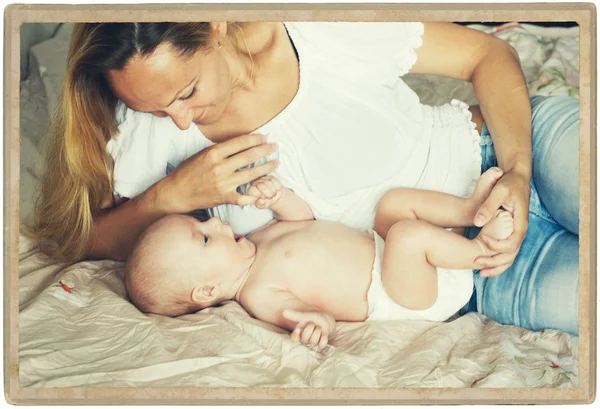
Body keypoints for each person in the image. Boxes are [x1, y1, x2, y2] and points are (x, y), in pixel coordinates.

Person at [31, 22, 579, 335]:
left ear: (215, 23)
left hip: (500, 154)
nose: (177, 120)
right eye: (155, 111)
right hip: (477, 273)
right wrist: (172, 195)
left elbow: (489, 52)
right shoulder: (151, 120)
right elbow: (84, 238)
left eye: (187, 92)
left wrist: (519, 172)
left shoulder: (317, 28)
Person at [126, 170, 514, 350]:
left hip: (382, 249)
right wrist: (315, 323)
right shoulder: (260, 294)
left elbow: (302, 218)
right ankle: (481, 251)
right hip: (402, 294)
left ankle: (470, 211)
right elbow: (309, 313)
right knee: (406, 236)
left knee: (393, 202)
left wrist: (277, 196)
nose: (216, 222)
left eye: (205, 222)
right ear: (208, 288)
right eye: (206, 238)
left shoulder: (258, 240)